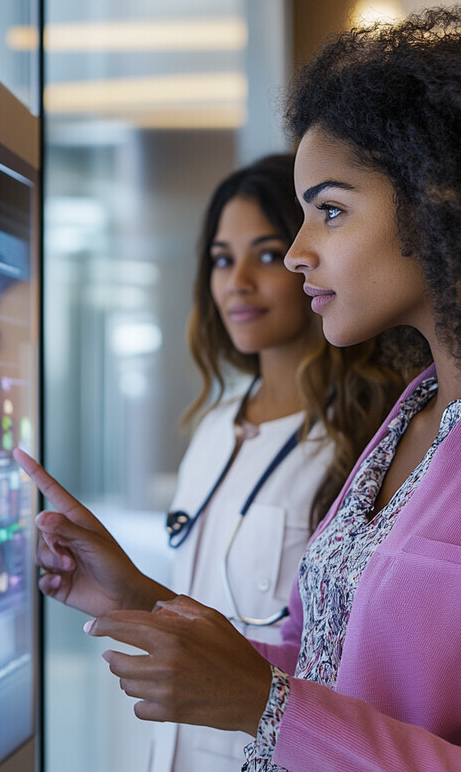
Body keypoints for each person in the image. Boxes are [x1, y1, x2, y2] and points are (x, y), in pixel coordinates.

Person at [16, 4, 461, 772]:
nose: (297, 255)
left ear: (443, 207)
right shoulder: (417, 411)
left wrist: (265, 708)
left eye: (329, 211)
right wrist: (137, 599)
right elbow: (327, 663)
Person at [154, 154, 402, 772]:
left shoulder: (365, 441)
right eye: (220, 259)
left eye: (265, 254)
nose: (237, 281)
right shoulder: (212, 428)